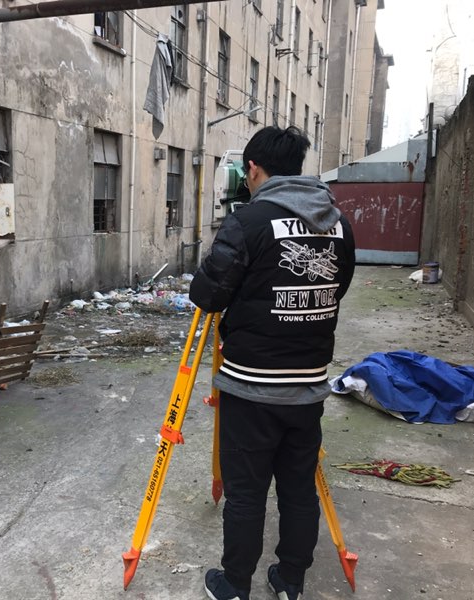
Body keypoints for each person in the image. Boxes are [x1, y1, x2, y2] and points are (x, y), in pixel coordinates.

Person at [190, 126, 356, 600]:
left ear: (254, 169)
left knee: (246, 493)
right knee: (298, 490)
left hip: (252, 388)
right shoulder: (339, 224)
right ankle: (290, 580)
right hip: (309, 385)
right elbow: (338, 287)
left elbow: (207, 294)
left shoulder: (249, 222)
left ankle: (235, 584)